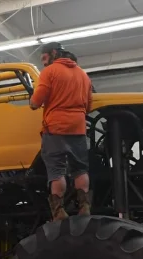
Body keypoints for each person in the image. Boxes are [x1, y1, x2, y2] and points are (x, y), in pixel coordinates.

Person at [30, 42, 93, 221]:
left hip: (55, 128)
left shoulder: (49, 72)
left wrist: (32, 101)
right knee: (80, 169)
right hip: (78, 128)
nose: (43, 62)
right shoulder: (83, 74)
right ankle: (85, 207)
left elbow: (36, 101)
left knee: (56, 171)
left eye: (44, 58)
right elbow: (88, 105)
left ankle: (59, 212)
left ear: (54, 53)